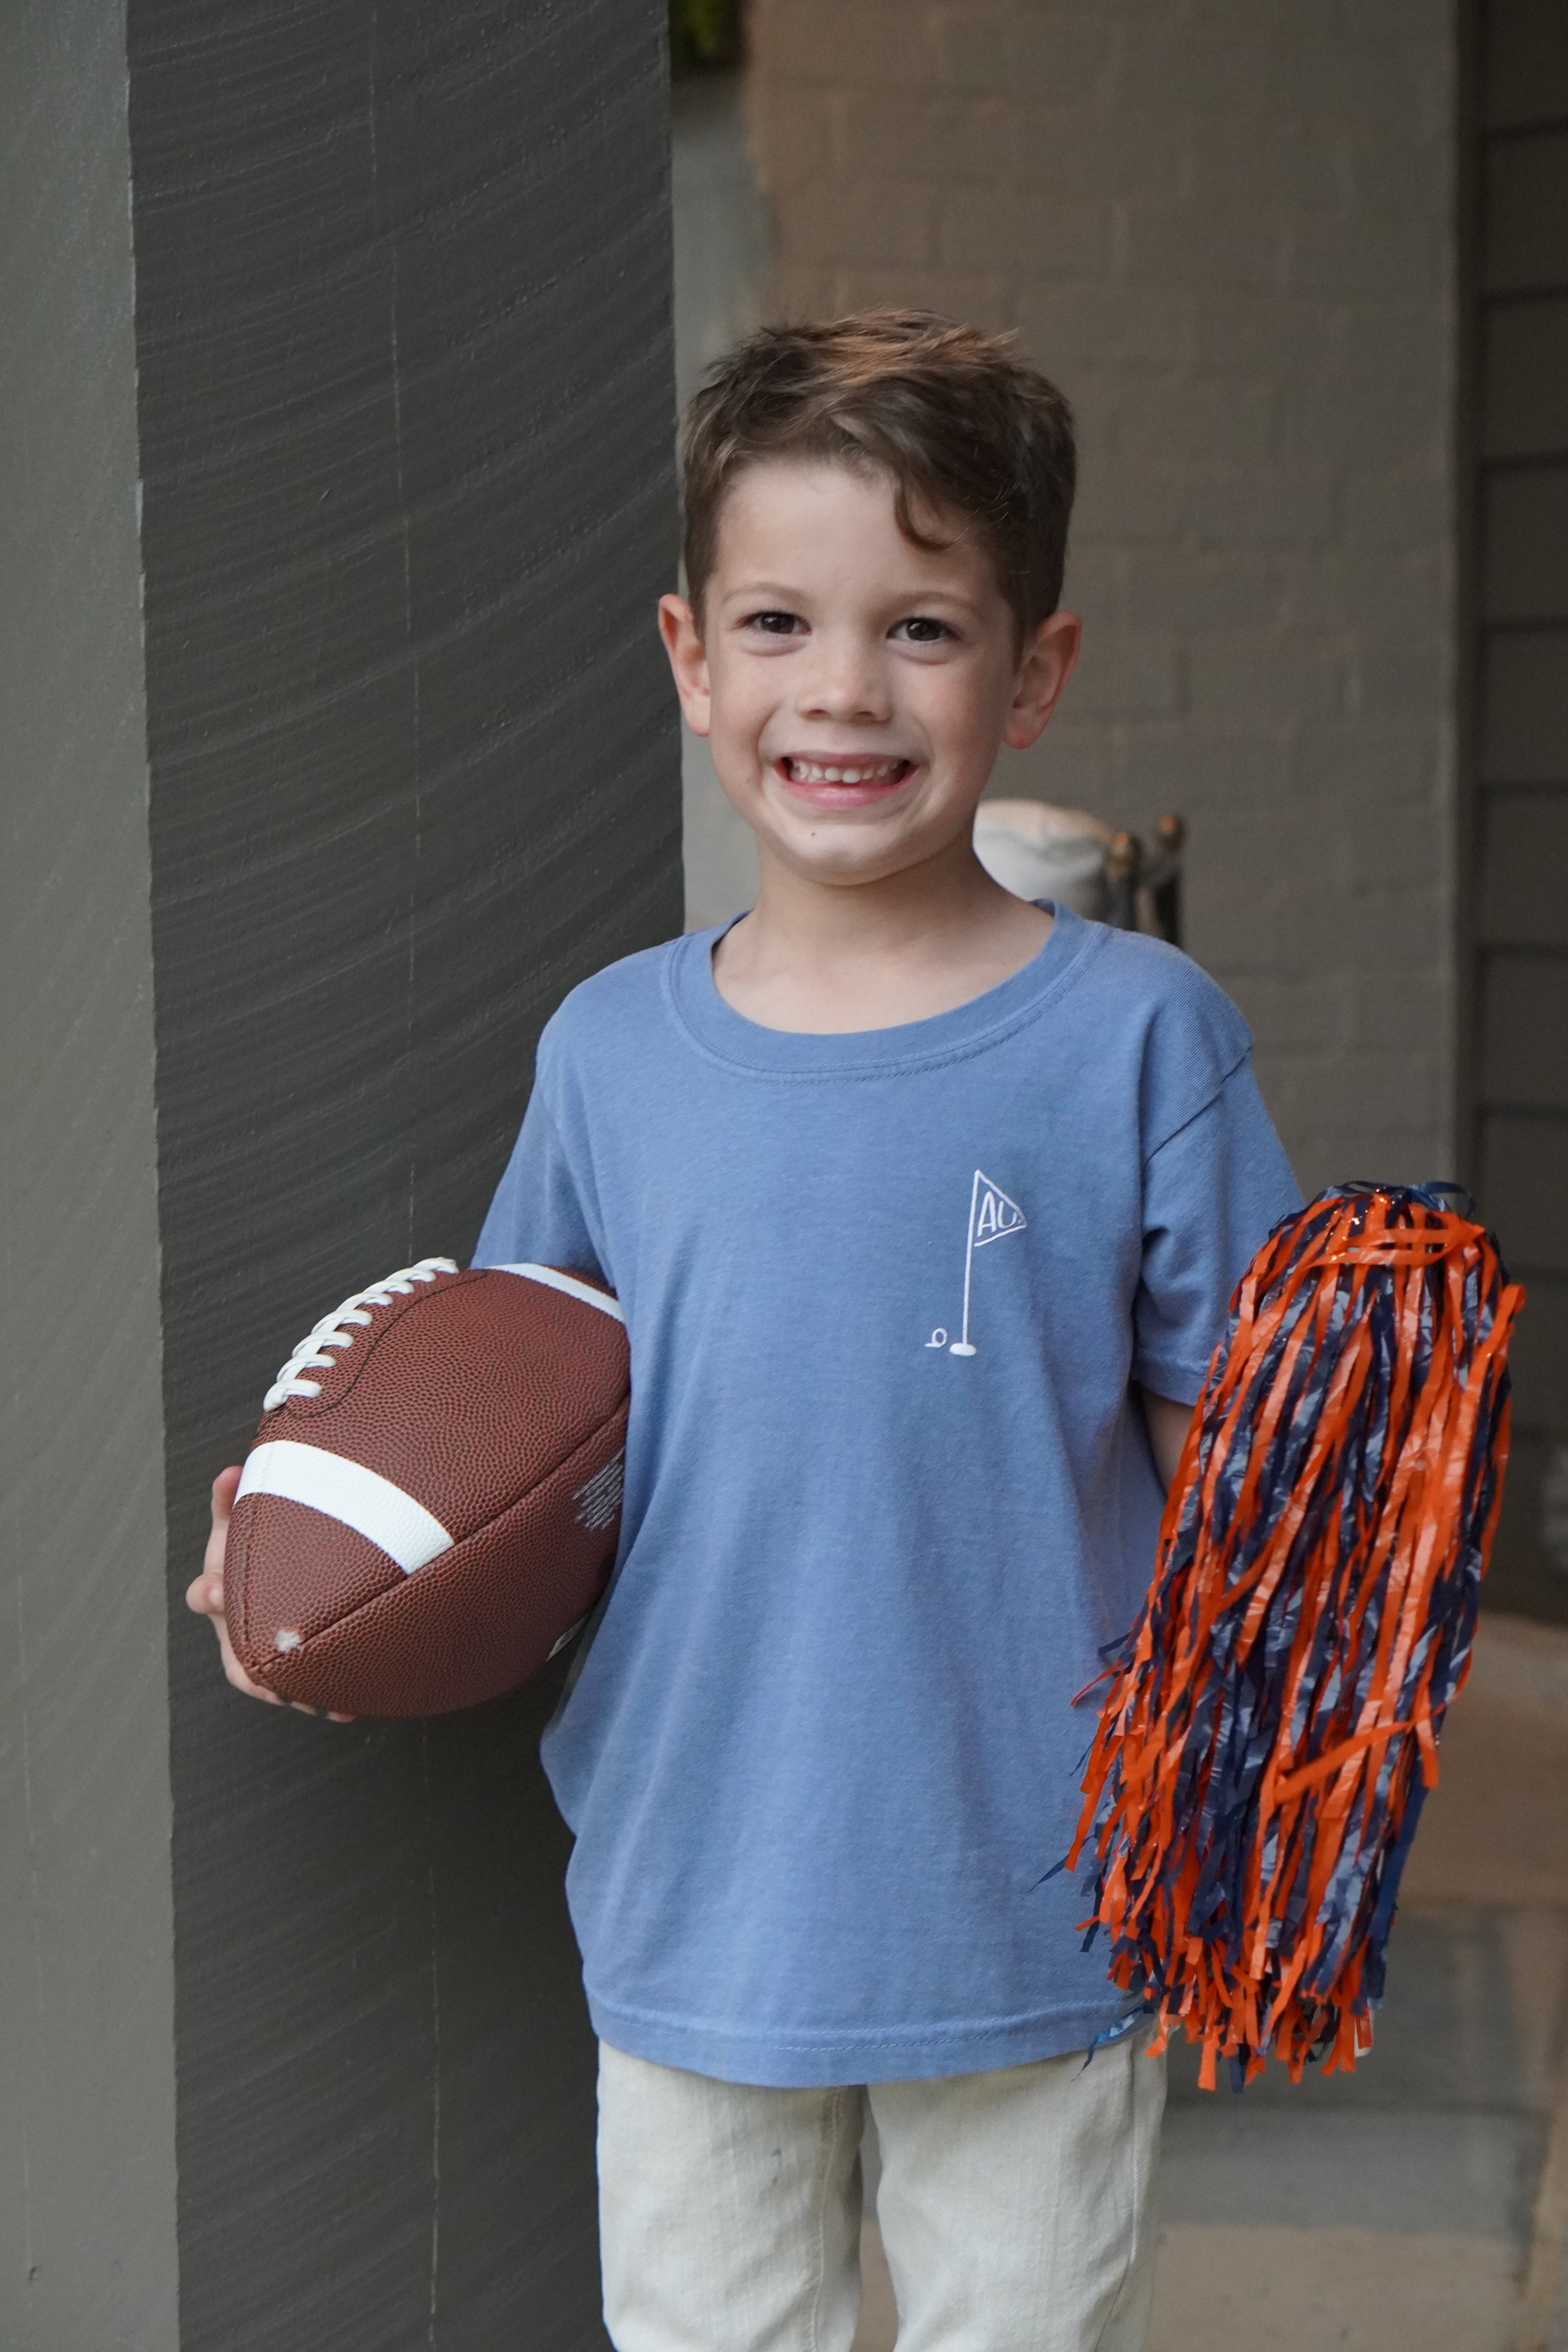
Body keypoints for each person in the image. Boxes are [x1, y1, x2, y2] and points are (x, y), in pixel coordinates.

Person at [189, 311, 1300, 2350]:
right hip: (701, 1875)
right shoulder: (612, 1053)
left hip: (1036, 1889)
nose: (844, 690)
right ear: (695, 660)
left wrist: (1247, 1795)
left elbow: (1238, 1458)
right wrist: (316, 1535)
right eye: (781, 623)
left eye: (925, 630)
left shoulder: (1143, 1040)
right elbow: (515, 1421)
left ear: (1035, 671)